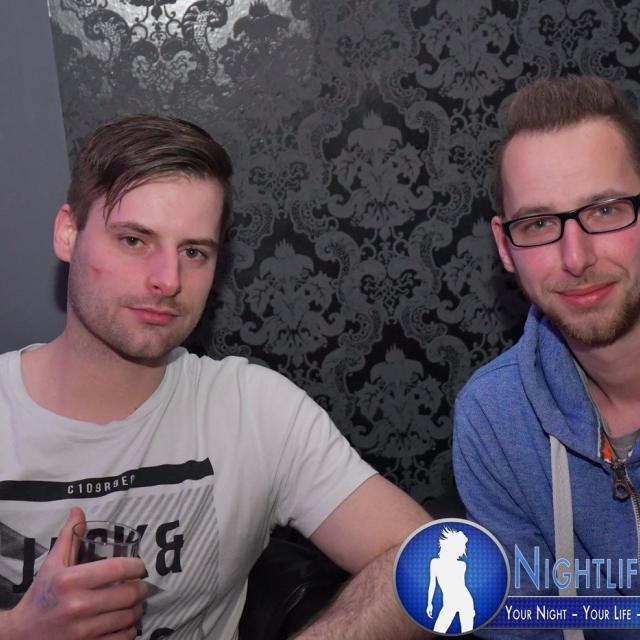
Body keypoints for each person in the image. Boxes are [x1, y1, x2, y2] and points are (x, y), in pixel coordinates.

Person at [0, 114, 431, 639]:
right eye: (134, 240)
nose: (168, 280)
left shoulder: (252, 409)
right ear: (69, 233)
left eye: (193, 252)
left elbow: (434, 560)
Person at [453, 74, 640, 639]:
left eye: (604, 210)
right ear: (505, 246)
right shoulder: (495, 416)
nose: (575, 257)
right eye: (538, 223)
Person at [425, 526, 474, 633]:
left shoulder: (462, 565)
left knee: (467, 632)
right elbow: (432, 584)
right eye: (461, 547)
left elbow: (460, 586)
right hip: (449, 603)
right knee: (438, 630)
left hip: (465, 601)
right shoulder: (435, 563)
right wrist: (429, 603)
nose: (462, 550)